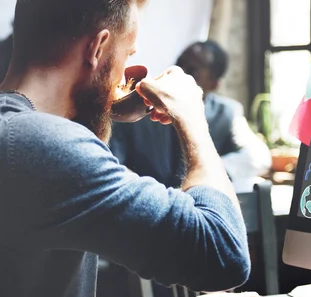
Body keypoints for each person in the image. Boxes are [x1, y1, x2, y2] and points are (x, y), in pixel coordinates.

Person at [0, 0, 275, 297]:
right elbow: (223, 253)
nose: (124, 73)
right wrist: (193, 119)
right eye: (127, 55)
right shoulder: (43, 145)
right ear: (99, 47)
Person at [109, 40, 272, 191]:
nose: (180, 72)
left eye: (193, 70)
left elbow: (258, 156)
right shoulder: (138, 110)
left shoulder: (227, 113)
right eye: (179, 63)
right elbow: (112, 163)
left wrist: (206, 173)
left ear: (214, 84)